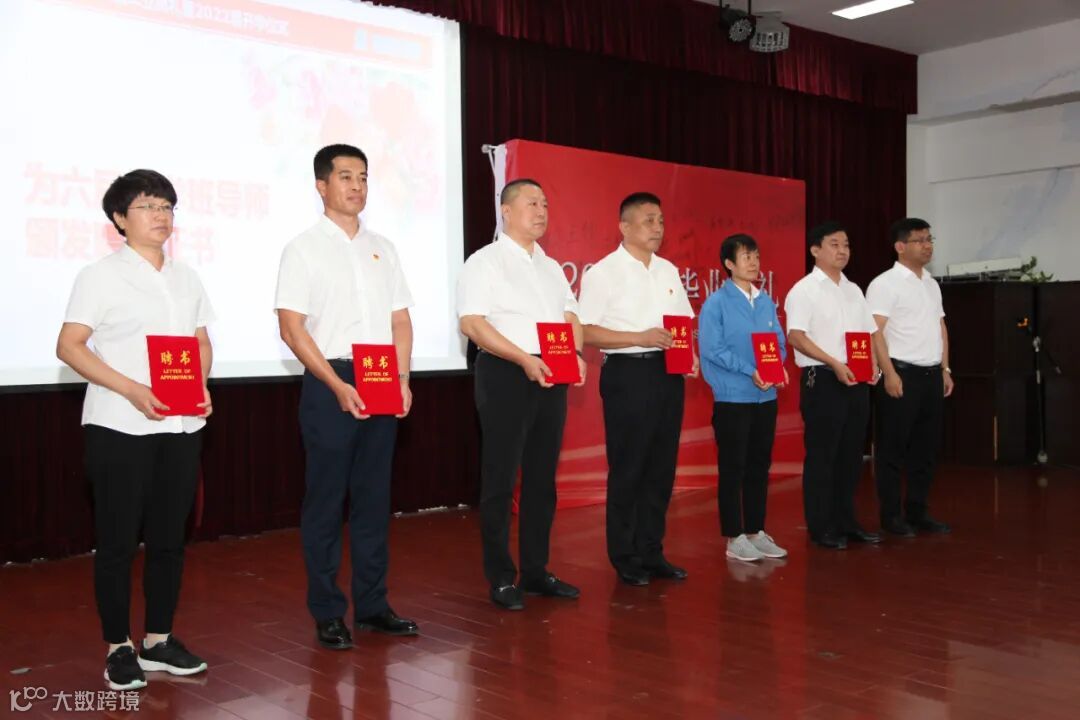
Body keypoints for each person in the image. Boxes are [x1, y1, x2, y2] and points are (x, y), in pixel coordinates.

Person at [56, 169, 212, 690]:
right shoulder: (99, 276)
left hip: (181, 424)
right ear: (120, 219)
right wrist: (131, 389)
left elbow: (200, 341)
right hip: (119, 425)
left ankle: (158, 640)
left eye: (167, 206)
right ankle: (118, 647)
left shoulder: (186, 276)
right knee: (118, 542)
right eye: (148, 206)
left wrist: (200, 383)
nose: (160, 215)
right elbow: (69, 345)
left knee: (169, 540)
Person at [275, 144, 417, 650]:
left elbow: (400, 319)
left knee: (374, 500)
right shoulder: (303, 248)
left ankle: (373, 606)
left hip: (381, 376)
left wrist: (402, 378)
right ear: (322, 185)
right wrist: (335, 385)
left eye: (363, 177)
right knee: (326, 501)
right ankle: (328, 611)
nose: (357, 186)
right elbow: (291, 327)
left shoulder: (384, 247)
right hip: (330, 377)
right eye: (345, 177)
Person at [457, 178, 586, 610]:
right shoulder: (485, 261)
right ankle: (500, 576)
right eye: (532, 203)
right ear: (506, 211)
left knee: (541, 478)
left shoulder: (551, 266)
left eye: (545, 204)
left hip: (552, 371)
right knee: (500, 478)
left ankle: (535, 571)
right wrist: (523, 359)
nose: (541, 211)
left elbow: (570, 314)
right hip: (505, 371)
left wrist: (576, 353)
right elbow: (472, 323)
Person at [578, 192, 697, 586]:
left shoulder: (668, 270)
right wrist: (638, 337)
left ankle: (651, 551)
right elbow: (586, 331)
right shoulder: (603, 272)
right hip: (628, 374)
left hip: (668, 375)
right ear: (624, 226)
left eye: (660, 220)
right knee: (629, 467)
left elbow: (681, 323)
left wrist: (689, 356)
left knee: (661, 468)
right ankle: (624, 555)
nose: (657, 228)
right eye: (648, 220)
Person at [784, 222, 882, 550]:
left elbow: (867, 334)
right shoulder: (804, 290)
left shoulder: (854, 290)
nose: (843, 251)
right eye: (834, 244)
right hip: (824, 378)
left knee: (851, 456)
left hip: (856, 379)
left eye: (847, 245)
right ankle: (821, 526)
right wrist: (834, 363)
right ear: (815, 250)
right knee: (823, 456)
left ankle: (847, 522)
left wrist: (874, 365)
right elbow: (796, 337)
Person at [699, 233, 790, 563]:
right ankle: (734, 537)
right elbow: (712, 349)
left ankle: (755, 531)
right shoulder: (716, 304)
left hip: (765, 398)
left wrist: (777, 367)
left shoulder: (765, 302)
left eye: (756, 256)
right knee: (732, 468)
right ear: (729, 263)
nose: (753, 262)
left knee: (759, 466)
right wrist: (750, 370)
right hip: (732, 398)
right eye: (746, 256)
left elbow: (779, 343)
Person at [867, 218, 953, 536]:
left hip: (931, 375)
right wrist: (888, 373)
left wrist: (945, 369)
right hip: (900, 374)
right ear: (900, 246)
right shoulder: (884, 284)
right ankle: (891, 517)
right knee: (892, 450)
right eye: (920, 240)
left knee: (925, 450)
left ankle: (918, 512)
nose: (927, 245)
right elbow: (875, 332)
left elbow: (940, 328)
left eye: (930, 239)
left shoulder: (931, 283)